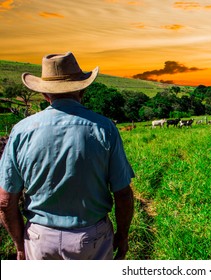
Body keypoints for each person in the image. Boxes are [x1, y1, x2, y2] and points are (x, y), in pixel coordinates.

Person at [0, 52, 135, 260]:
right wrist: (123, 235)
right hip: (92, 238)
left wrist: (20, 246)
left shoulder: (20, 131)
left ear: (45, 94)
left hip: (40, 239)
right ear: (82, 89)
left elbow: (5, 201)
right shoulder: (104, 128)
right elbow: (123, 194)